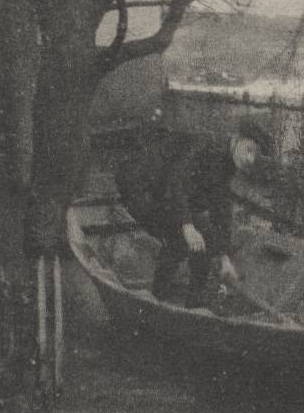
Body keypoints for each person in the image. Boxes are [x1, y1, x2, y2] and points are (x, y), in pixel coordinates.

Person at [117, 115, 273, 309]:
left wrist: (224, 257)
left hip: (168, 197)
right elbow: (176, 182)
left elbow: (221, 208)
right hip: (141, 190)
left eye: (255, 156)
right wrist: (187, 226)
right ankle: (156, 299)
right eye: (249, 150)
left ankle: (195, 305)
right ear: (236, 139)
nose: (249, 159)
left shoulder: (227, 164)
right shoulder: (204, 145)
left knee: (204, 236)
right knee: (180, 239)